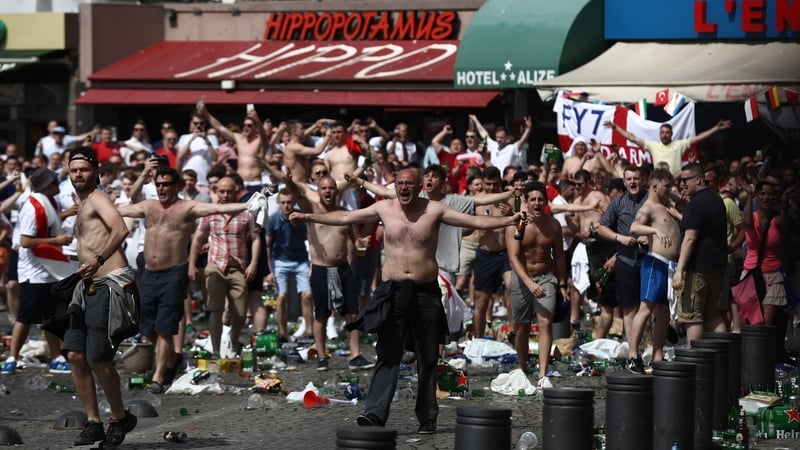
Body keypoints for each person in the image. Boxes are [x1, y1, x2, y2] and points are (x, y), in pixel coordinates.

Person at [288, 168, 524, 433]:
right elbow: (345, 216)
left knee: (427, 355)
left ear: (419, 186)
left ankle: (427, 417)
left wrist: (510, 220)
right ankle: (375, 414)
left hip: (425, 291)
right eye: (399, 183)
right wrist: (307, 216)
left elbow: (475, 222)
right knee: (388, 353)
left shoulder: (434, 210)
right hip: (393, 291)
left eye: (409, 184)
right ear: (395, 185)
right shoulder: (384, 208)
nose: (404, 188)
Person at [118, 167, 253, 393]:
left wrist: (248, 205)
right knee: (144, 326)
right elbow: (121, 209)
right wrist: (86, 205)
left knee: (165, 328)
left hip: (173, 273)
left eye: (166, 184)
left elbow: (218, 207)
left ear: (177, 186)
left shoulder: (186, 207)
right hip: (149, 273)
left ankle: (158, 377)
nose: (161, 188)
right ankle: (172, 358)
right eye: (158, 184)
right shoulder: (149, 206)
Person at [61, 148, 139, 448]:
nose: (78, 174)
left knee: (97, 357)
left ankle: (119, 418)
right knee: (75, 355)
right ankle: (93, 422)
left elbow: (119, 228)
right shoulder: (83, 203)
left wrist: (98, 258)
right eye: (73, 170)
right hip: (87, 285)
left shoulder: (98, 197)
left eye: (83, 169)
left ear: (96, 170)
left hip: (109, 284)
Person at [287, 174, 372, 371]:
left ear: (337, 192)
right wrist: (290, 181)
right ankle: (322, 356)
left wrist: (361, 244)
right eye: (324, 188)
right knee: (321, 314)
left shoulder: (345, 214)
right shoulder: (311, 211)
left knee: (352, 312)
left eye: (331, 188)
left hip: (344, 268)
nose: (327, 191)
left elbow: (355, 238)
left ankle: (355, 354)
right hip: (321, 269)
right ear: (318, 192)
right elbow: (297, 195)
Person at [1, 168, 73, 375]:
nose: (58, 186)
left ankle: (56, 357)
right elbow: (26, 241)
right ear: (46, 186)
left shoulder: (48, 202)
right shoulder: (33, 207)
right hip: (34, 271)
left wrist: (67, 215)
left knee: (50, 317)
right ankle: (12, 358)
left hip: (49, 268)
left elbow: (50, 223)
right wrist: (57, 241)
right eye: (54, 183)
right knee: (25, 318)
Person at [188, 176, 260, 358]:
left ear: (236, 192)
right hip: (216, 266)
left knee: (240, 312)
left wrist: (254, 263)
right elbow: (198, 238)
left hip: (237, 267)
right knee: (215, 309)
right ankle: (216, 350)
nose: (226, 195)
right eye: (222, 191)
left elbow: (256, 238)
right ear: (216, 192)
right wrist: (192, 264)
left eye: (229, 191)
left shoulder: (246, 213)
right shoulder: (210, 213)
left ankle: (233, 338)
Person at [506, 181, 567, 389]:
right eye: (533, 199)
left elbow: (559, 256)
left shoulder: (553, 225)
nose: (537, 203)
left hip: (546, 276)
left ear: (546, 201)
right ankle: (522, 369)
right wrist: (529, 283)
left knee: (545, 322)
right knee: (521, 327)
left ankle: (542, 374)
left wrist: (562, 283)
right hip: (522, 278)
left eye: (541, 199)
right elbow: (513, 257)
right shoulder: (519, 223)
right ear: (526, 202)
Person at [628, 169, 681, 370]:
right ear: (655, 186)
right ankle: (633, 354)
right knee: (646, 309)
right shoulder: (648, 207)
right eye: (667, 186)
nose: (670, 190)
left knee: (664, 313)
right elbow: (634, 227)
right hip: (655, 263)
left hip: (670, 266)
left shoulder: (667, 206)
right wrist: (654, 230)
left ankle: (657, 355)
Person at [671, 162, 728, 344]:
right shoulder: (716, 199)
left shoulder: (696, 203)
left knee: (692, 316)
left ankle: (695, 362)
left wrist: (679, 270)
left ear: (697, 179)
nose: (682, 185)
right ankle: (723, 359)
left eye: (684, 180)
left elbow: (690, 238)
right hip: (717, 268)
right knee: (712, 315)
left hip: (698, 269)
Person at [596, 165, 649, 360]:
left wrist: (650, 238)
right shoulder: (617, 202)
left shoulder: (650, 199)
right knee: (629, 307)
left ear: (642, 180)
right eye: (629, 179)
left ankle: (648, 346)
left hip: (649, 259)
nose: (633, 182)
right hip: (626, 259)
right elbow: (602, 228)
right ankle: (633, 350)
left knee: (649, 305)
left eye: (636, 178)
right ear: (624, 182)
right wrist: (620, 238)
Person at [265, 188, 314, 345]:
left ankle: (310, 332)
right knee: (281, 296)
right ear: (279, 203)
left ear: (294, 203)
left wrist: (312, 263)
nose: (287, 206)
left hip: (301, 259)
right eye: (283, 203)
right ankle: (283, 333)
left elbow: (312, 239)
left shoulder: (301, 217)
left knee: (307, 295)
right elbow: (268, 245)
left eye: (289, 203)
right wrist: (269, 270)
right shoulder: (273, 219)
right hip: (280, 260)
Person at [604, 119, 732, 177]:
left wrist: (717, 128)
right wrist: (616, 128)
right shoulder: (653, 146)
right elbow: (632, 137)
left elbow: (699, 138)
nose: (664, 134)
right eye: (662, 132)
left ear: (671, 134)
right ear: (659, 134)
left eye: (667, 132)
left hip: (675, 182)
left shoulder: (679, 145)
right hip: (658, 183)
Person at [203, 107, 268, 194]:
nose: (246, 127)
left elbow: (264, 135)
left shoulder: (259, 141)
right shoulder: (239, 138)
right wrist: (206, 113)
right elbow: (220, 127)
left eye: (249, 125)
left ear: (255, 127)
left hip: (255, 182)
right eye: (244, 125)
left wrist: (257, 120)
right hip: (239, 183)